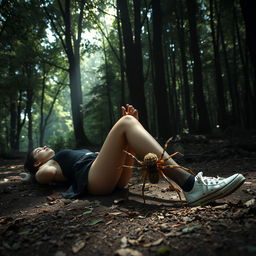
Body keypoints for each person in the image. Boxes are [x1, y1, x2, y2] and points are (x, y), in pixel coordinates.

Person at [23, 104, 245, 206]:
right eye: (38, 151)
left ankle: (190, 184)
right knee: (127, 123)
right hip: (93, 179)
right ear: (36, 162)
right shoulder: (49, 165)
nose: (43, 147)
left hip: (107, 175)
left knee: (130, 124)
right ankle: (190, 185)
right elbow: (45, 176)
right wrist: (37, 173)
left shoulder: (58, 156)